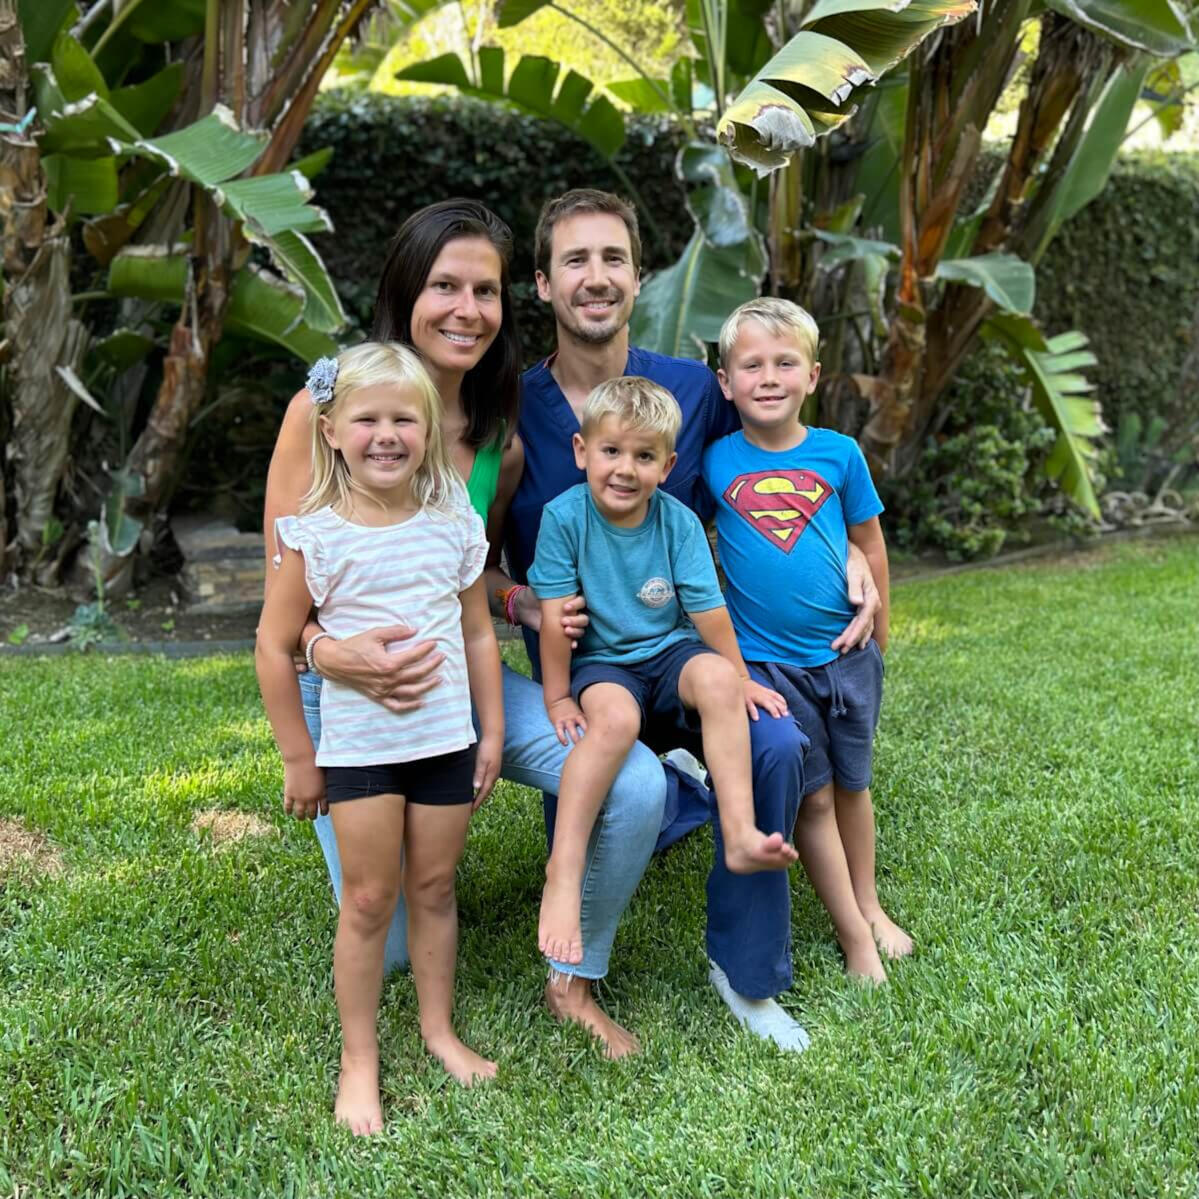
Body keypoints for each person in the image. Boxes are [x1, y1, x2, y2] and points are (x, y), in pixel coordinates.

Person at [263, 200, 667, 1061]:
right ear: (406, 292)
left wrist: (519, 601)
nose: (466, 308)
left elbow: (463, 578)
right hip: (342, 700)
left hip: (454, 690)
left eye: (484, 290)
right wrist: (335, 655)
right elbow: (286, 594)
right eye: (444, 285)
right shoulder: (323, 412)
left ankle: (574, 977)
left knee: (633, 779)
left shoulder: (498, 441)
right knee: (392, 934)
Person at [497, 188, 881, 1053]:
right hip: (588, 674)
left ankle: (745, 970)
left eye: (613, 260)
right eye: (574, 261)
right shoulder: (513, 411)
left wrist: (849, 548)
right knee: (621, 749)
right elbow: (472, 565)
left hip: (676, 647)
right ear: (541, 283)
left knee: (776, 742)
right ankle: (579, 958)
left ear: (638, 277)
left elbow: (770, 463)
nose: (595, 279)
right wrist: (520, 600)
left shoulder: (687, 391)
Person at [256, 343, 505, 1134]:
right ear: (330, 430)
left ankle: (437, 1031)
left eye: (405, 418)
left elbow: (475, 633)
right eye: (367, 419)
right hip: (359, 751)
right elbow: (273, 643)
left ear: (429, 430)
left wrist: (490, 728)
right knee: (368, 899)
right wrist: (299, 755)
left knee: (433, 887)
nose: (386, 434)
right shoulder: (315, 535)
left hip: (444, 740)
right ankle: (358, 1058)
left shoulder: (452, 519)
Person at [528, 377, 798, 964]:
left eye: (644, 456)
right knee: (616, 721)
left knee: (720, 681)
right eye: (611, 451)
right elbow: (555, 621)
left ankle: (742, 831)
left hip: (670, 652)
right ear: (582, 451)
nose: (625, 469)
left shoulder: (675, 522)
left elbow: (707, 611)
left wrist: (741, 675)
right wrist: (556, 699)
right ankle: (565, 869)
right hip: (603, 663)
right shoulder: (564, 519)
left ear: (668, 464)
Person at [704, 297, 913, 985]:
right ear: (724, 381)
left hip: (847, 656)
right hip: (769, 664)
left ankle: (871, 904)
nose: (768, 377)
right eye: (751, 364)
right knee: (814, 796)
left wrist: (880, 632)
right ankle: (853, 934)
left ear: (813, 375)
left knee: (854, 786)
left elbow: (869, 543)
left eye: (784, 362)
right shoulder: (712, 463)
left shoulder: (839, 454)